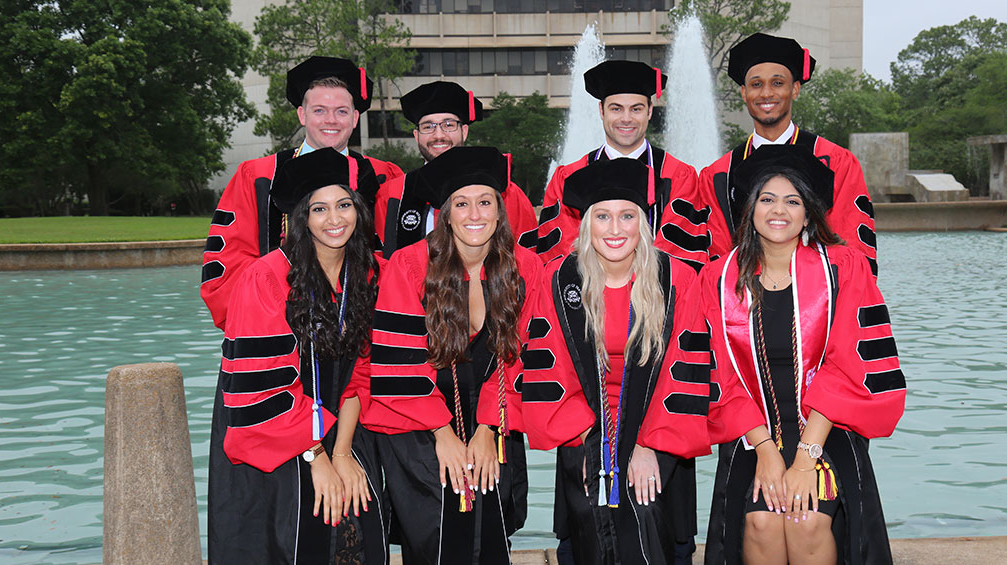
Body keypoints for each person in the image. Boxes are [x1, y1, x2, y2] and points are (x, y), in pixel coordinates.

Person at [660, 144, 905, 564]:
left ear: (808, 214)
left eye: (793, 201)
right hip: (751, 432)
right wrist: (768, 453)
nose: (779, 210)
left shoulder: (843, 268)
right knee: (762, 522)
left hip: (828, 431)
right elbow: (716, 374)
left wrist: (805, 459)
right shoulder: (718, 280)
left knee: (804, 520)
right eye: (767, 199)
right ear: (750, 210)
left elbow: (850, 364)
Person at [207, 148, 388, 564]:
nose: (335, 219)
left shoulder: (366, 274)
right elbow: (264, 386)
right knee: (297, 530)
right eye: (320, 209)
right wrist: (317, 456)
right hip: (272, 431)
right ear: (301, 219)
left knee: (360, 516)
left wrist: (341, 452)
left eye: (344, 205)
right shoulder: (267, 277)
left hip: (338, 424)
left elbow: (361, 373)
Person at [363, 146, 542, 564]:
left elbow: (525, 359)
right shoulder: (408, 266)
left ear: (500, 211)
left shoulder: (526, 268)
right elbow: (397, 361)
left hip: (496, 419)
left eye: (485, 202)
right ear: (446, 214)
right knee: (436, 540)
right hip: (419, 426)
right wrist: (442, 434)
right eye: (461, 203)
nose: (474, 214)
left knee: (492, 534)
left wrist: (487, 428)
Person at [521, 158, 703, 564]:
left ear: (644, 223)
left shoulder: (677, 280)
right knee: (590, 514)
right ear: (587, 225)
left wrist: (646, 444)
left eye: (627, 216)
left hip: (657, 430)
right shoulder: (559, 280)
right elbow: (549, 373)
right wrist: (594, 443)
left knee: (646, 510)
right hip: (584, 429)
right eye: (602, 216)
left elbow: (685, 374)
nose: (616, 229)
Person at [202, 56, 404, 329]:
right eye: (319, 110)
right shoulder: (259, 177)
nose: (331, 120)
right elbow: (228, 262)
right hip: (278, 328)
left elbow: (398, 261)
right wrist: (285, 312)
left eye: (342, 111)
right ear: (302, 114)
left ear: (355, 118)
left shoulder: (383, 178)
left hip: (363, 333)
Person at [696, 34, 878, 275]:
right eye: (756, 84)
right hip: (744, 300)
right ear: (743, 93)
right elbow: (717, 254)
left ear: (795, 89)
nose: (766, 93)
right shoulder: (719, 174)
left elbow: (852, 249)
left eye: (778, 83)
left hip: (821, 300)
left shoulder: (835, 161)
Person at [536, 60, 709, 270]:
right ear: (601, 111)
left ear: (650, 111)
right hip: (588, 294)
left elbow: (681, 252)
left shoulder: (678, 175)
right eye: (616, 109)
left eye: (636, 109)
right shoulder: (570, 177)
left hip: (656, 296)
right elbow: (560, 250)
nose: (626, 119)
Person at [374, 81, 538, 257]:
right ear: (416, 135)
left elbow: (526, 261)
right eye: (428, 126)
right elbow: (382, 264)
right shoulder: (393, 194)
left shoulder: (506, 192)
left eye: (449, 124)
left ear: (464, 131)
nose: (438, 135)